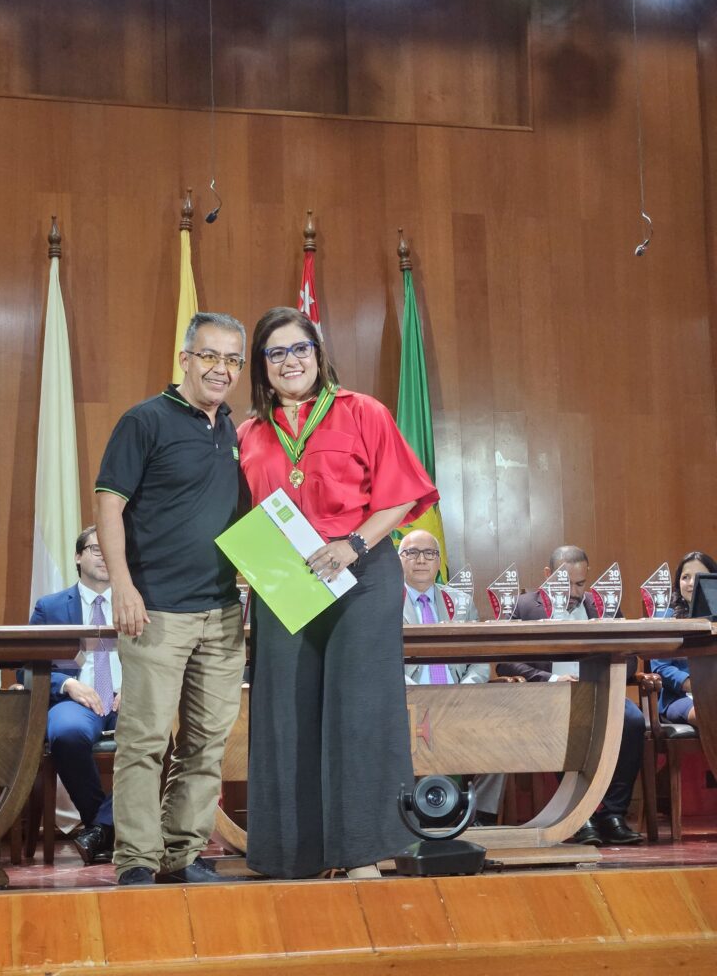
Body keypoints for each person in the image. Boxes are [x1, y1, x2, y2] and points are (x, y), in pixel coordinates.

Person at [238, 306, 438, 880]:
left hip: (361, 572)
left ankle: (362, 853)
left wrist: (352, 544)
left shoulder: (361, 411)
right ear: (262, 367)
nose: (289, 361)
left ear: (319, 354)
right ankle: (291, 855)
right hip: (287, 581)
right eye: (275, 353)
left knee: (360, 711)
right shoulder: (248, 432)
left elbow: (403, 495)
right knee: (285, 713)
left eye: (299, 348)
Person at [95, 311, 248, 886]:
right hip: (155, 608)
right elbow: (110, 502)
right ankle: (136, 859)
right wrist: (123, 585)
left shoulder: (237, 430)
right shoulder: (145, 420)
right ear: (185, 357)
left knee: (207, 745)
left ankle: (181, 854)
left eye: (232, 360)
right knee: (144, 742)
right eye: (210, 355)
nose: (221, 369)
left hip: (223, 613)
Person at [498, 545, 649, 846]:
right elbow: (505, 660)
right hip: (550, 696)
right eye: (567, 583)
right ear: (547, 575)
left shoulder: (602, 605)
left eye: (581, 583)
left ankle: (612, 815)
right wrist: (552, 678)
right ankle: (581, 816)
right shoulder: (525, 606)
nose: (575, 591)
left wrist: (600, 673)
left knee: (632, 720)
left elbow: (630, 655)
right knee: (561, 723)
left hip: (596, 692)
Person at [400, 528, 509, 825]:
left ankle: (481, 818)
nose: (421, 560)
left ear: (438, 562)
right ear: (400, 560)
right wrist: (416, 694)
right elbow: (379, 661)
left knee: (504, 736)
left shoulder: (459, 603)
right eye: (412, 553)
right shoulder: (386, 603)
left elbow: (480, 660)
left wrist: (464, 691)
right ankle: (408, 815)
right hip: (408, 704)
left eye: (430, 554)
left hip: (460, 699)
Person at [29, 525, 119, 865]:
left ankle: (98, 831)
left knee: (150, 735)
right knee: (66, 733)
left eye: (112, 549)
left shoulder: (137, 602)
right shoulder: (50, 607)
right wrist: (67, 685)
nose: (105, 556)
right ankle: (105, 825)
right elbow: (27, 667)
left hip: (130, 699)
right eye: (97, 549)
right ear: (77, 556)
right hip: (76, 700)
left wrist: (138, 685)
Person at [651, 551, 717, 727]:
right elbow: (660, 667)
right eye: (685, 577)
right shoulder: (666, 616)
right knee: (711, 713)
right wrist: (692, 684)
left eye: (698, 577)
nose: (690, 583)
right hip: (680, 697)